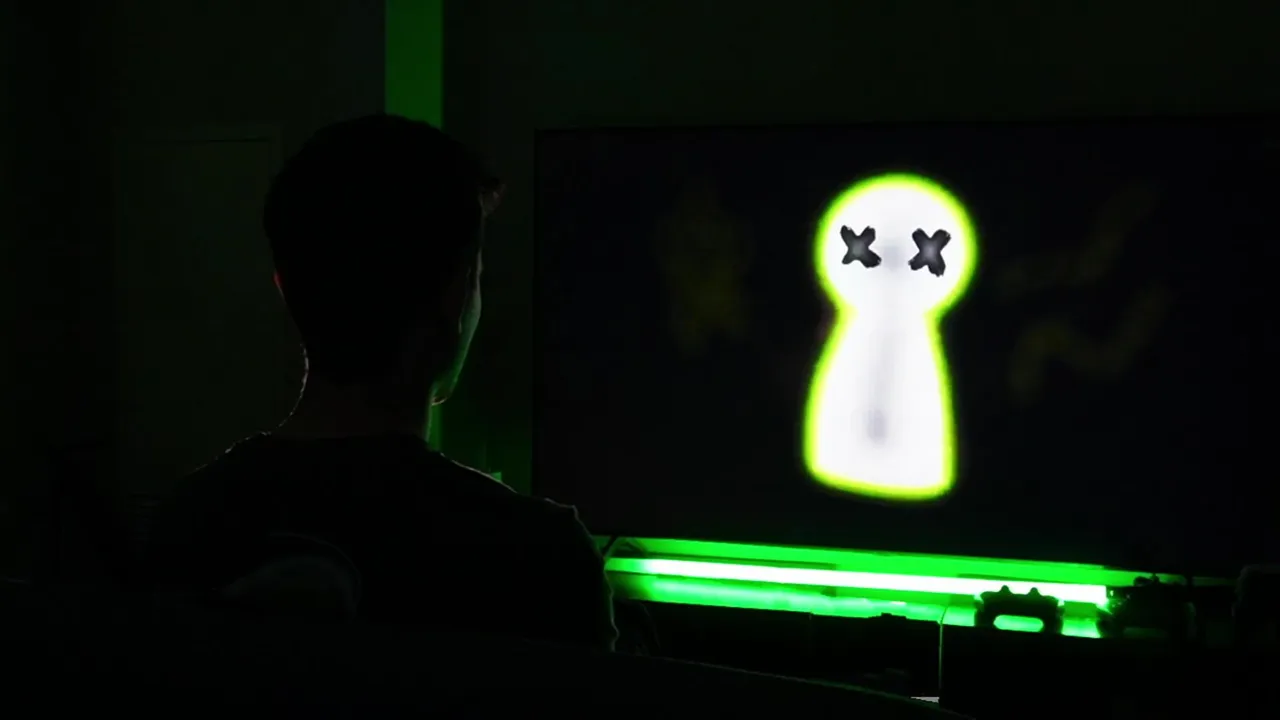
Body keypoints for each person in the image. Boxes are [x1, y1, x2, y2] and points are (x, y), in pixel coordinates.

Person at [142, 114, 617, 651]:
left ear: (285, 289)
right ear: (457, 297)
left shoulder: (186, 525)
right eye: (477, 278)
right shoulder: (540, 560)